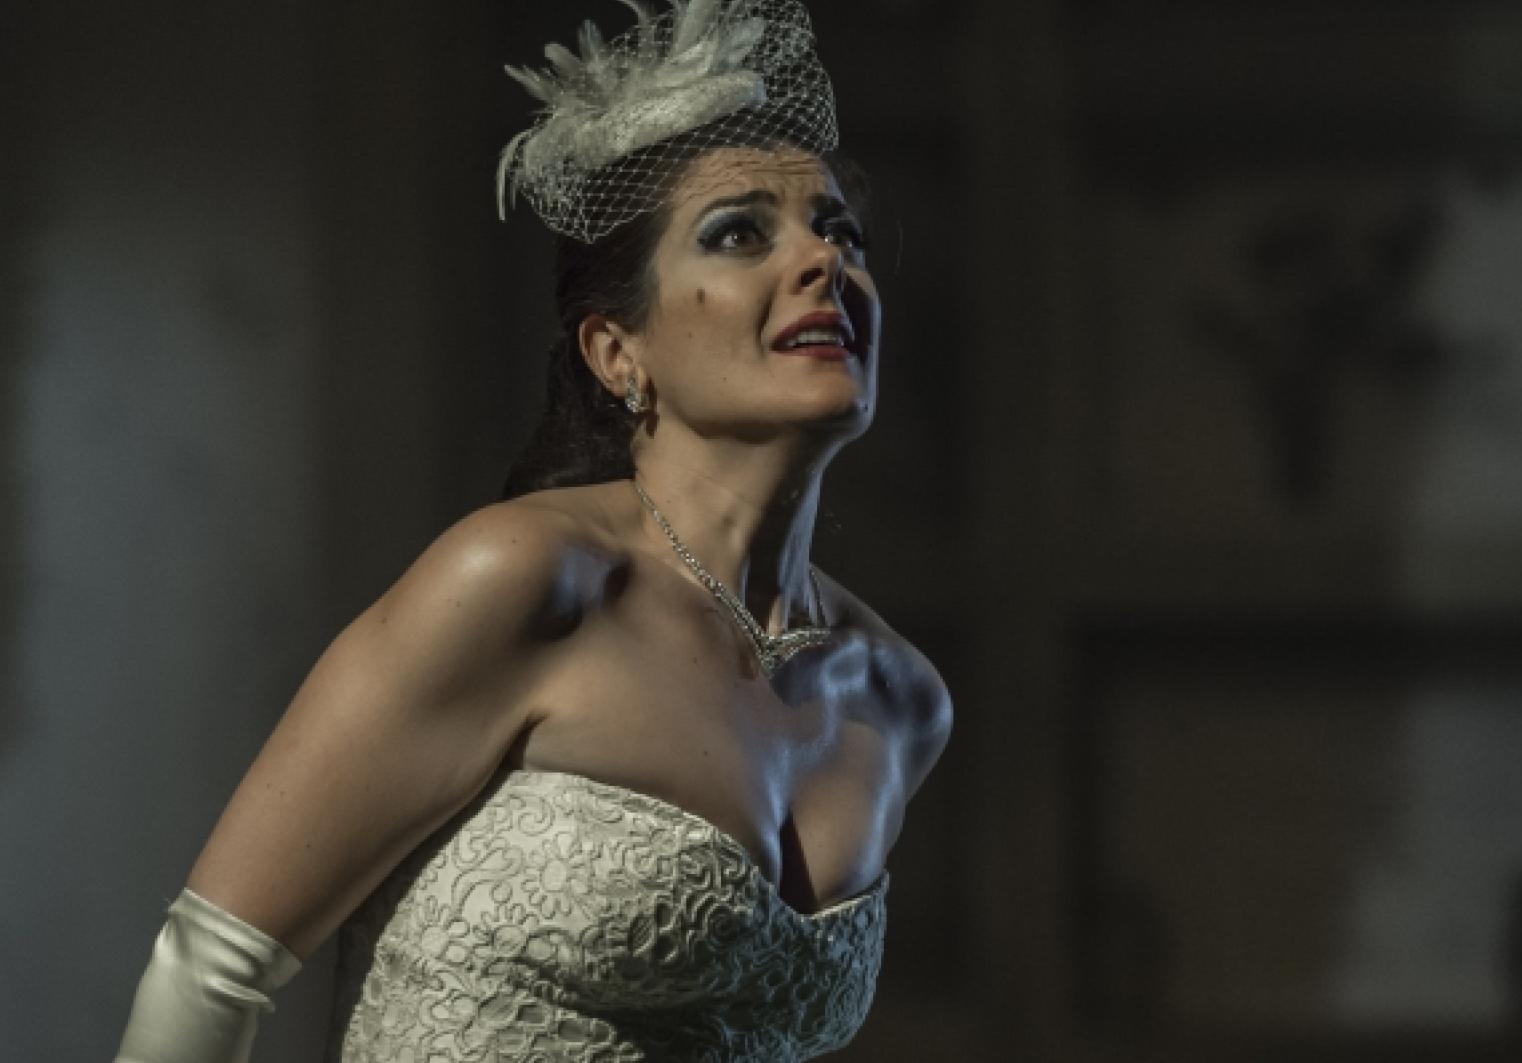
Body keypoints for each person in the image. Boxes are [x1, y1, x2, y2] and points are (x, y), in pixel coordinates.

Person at [115, 1, 952, 1059]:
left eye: (841, 233)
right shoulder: (523, 579)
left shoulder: (896, 699)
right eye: (740, 233)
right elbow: (209, 971)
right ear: (616, 353)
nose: (822, 261)